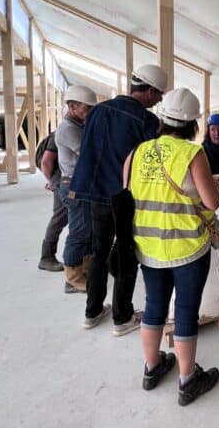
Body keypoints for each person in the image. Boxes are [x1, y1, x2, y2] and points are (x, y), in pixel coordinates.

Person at [124, 88, 219, 407]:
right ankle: (187, 379)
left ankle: (152, 369)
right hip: (186, 248)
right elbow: (212, 201)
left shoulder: (137, 153)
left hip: (148, 247)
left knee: (154, 306)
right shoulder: (192, 154)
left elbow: (129, 193)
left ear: (162, 118)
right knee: (184, 313)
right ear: (193, 124)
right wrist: (207, 182)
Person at [70, 63, 166, 336]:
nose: (158, 101)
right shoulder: (146, 121)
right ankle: (122, 317)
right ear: (148, 91)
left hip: (94, 193)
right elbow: (149, 164)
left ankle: (93, 311)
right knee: (126, 254)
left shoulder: (97, 110)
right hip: (122, 195)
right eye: (158, 95)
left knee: (99, 252)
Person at [55, 85, 97, 294]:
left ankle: (85, 268)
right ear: (72, 106)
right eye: (85, 108)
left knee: (87, 229)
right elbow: (89, 156)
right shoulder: (68, 129)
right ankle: (72, 278)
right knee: (78, 232)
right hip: (73, 185)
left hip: (82, 185)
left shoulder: (80, 125)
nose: (88, 112)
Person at [38, 132, 66, 272]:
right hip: (61, 181)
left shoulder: (80, 128)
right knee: (60, 217)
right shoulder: (61, 133)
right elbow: (46, 162)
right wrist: (51, 182)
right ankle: (46, 257)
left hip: (64, 180)